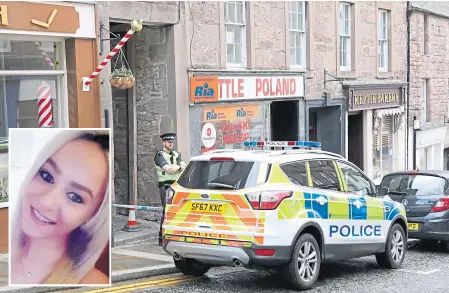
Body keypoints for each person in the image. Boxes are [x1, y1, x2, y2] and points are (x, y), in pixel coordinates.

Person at [10, 130, 110, 285]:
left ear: (93, 215)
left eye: (75, 197)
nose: (47, 202)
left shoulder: (92, 284)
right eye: (46, 176)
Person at [154, 132, 186, 246]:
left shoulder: (177, 154)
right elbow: (169, 170)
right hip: (166, 186)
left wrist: (179, 167)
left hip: (176, 186)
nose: (170, 144)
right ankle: (161, 237)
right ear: (164, 142)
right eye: (168, 142)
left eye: (172, 142)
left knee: (177, 211)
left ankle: (174, 236)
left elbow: (184, 166)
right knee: (166, 211)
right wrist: (179, 167)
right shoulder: (159, 155)